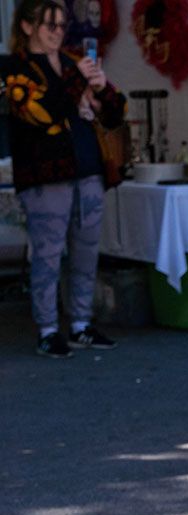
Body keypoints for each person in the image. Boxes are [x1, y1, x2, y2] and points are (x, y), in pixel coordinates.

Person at [2, 0, 124, 358]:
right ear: (27, 27)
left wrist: (102, 89)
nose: (58, 31)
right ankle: (48, 328)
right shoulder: (14, 68)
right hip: (44, 176)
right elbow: (42, 112)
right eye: (49, 24)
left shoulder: (74, 63)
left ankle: (82, 324)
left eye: (61, 24)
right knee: (48, 255)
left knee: (86, 253)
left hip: (87, 170)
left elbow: (115, 114)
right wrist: (79, 82)